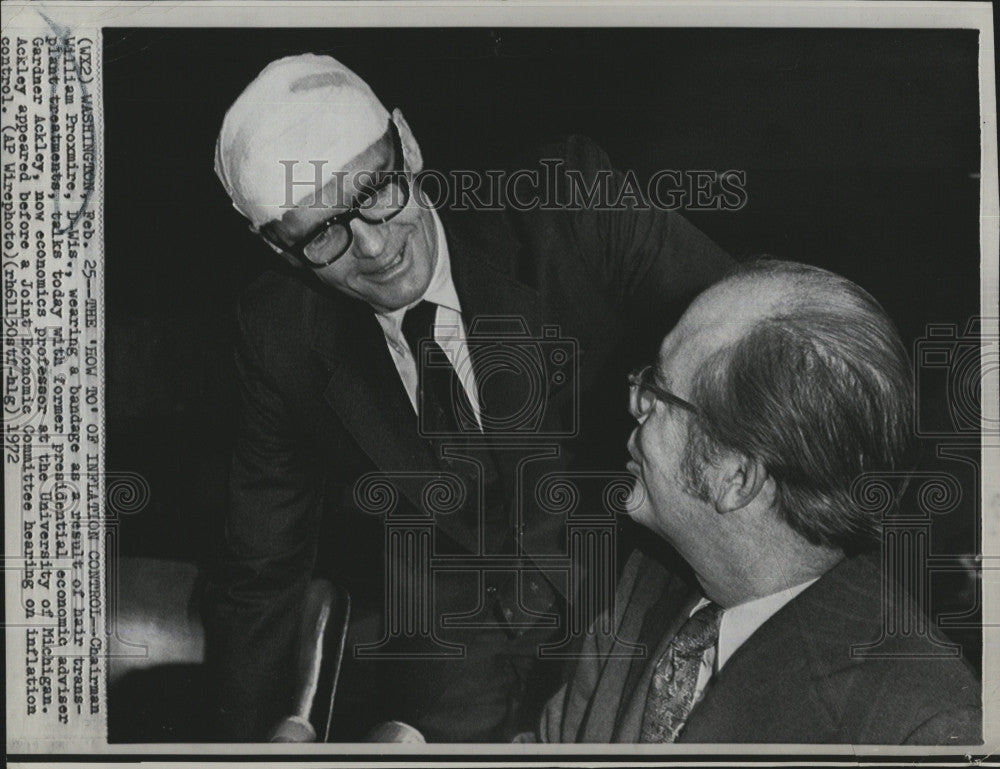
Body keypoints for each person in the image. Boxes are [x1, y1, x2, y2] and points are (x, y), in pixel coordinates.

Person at [204, 53, 733, 741]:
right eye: (324, 233)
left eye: (377, 190)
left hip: (633, 592)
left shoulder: (567, 205)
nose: (373, 246)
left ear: (408, 145)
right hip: (449, 650)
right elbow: (261, 566)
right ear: (279, 250)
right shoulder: (279, 333)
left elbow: (754, 351)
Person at [539, 260, 982, 744]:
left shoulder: (915, 727)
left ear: (737, 478)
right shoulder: (651, 574)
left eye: (658, 391)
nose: (635, 405)